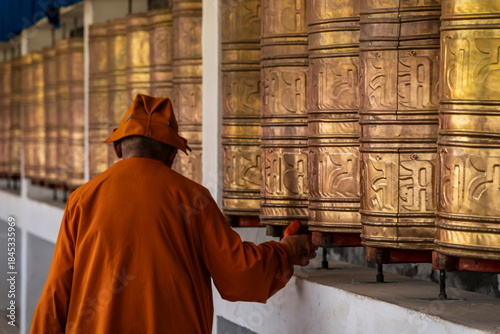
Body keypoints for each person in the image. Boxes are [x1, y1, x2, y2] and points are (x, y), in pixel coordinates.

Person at [30, 94, 317, 333]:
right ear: (172, 154)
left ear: (118, 147)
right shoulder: (193, 199)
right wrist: (286, 252)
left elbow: (57, 293)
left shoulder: (82, 200)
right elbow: (239, 274)